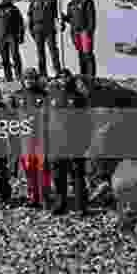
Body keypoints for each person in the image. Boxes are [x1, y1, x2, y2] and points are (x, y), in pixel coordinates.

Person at [47, 69, 89, 215]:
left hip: (75, 142)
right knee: (58, 175)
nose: (63, 79)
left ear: (70, 78)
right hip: (56, 143)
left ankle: (80, 206)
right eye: (60, 77)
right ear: (57, 79)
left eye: (66, 76)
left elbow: (87, 121)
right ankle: (60, 204)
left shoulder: (79, 97)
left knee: (77, 175)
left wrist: (85, 143)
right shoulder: (51, 96)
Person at [9, 68, 51, 208]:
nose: (29, 81)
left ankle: (44, 197)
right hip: (24, 138)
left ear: (36, 79)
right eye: (26, 78)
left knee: (42, 167)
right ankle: (33, 196)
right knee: (29, 168)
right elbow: (11, 116)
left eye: (32, 78)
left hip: (41, 137)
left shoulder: (44, 95)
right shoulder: (17, 96)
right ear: (22, 80)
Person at [28, 0, 61, 78]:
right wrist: (31, 29)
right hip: (37, 28)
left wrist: (59, 22)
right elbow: (30, 15)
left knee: (53, 51)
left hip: (49, 27)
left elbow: (57, 14)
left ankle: (58, 71)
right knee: (40, 52)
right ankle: (43, 74)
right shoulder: (34, 0)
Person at [63, 0, 97, 77]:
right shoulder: (70, 4)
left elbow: (91, 18)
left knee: (87, 54)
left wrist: (89, 31)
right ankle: (83, 74)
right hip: (75, 32)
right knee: (80, 54)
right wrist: (63, 17)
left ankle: (91, 76)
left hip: (84, 32)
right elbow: (70, 18)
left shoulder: (87, 2)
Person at [0, 0, 25, 82]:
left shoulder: (13, 9)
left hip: (12, 36)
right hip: (0, 38)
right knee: (5, 59)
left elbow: (20, 23)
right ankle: (8, 77)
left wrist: (21, 35)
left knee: (15, 56)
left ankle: (18, 75)